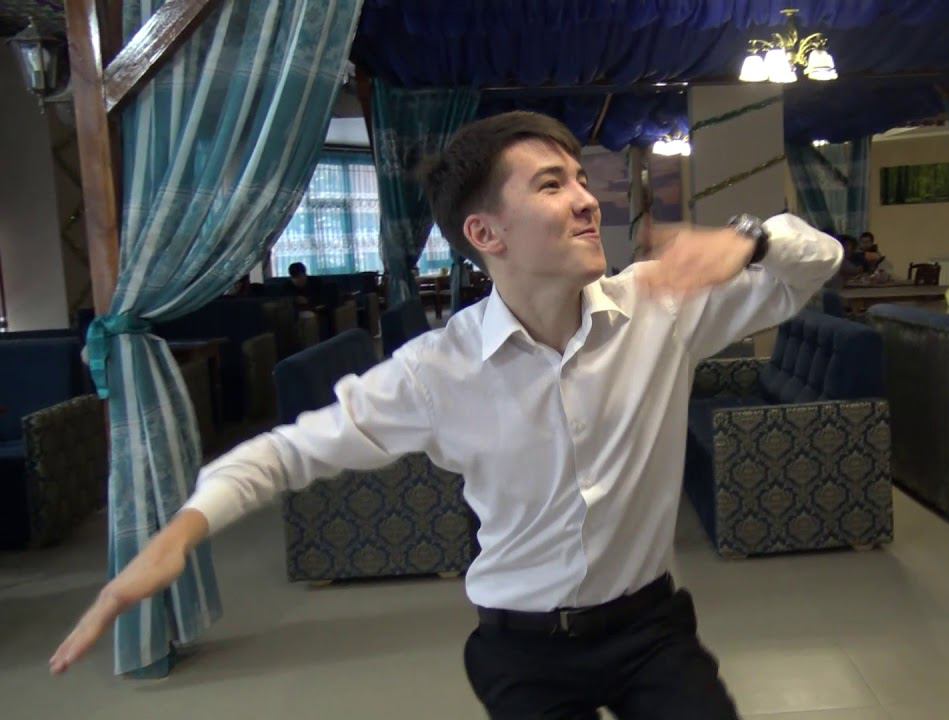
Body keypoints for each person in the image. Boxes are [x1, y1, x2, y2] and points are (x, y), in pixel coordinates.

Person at [50, 112, 842, 719]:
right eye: (551, 185)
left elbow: (818, 261)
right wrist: (181, 531)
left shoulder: (659, 307)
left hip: (652, 632)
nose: (585, 201)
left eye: (580, 179)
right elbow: (288, 452)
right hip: (523, 650)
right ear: (485, 233)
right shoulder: (437, 371)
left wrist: (753, 241)